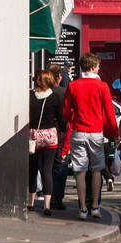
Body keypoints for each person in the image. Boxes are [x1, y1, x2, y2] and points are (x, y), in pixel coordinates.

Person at [60, 53, 119, 221]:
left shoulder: (73, 86)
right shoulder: (102, 86)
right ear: (93, 67)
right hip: (95, 132)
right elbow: (109, 114)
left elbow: (66, 111)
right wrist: (113, 134)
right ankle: (95, 206)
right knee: (96, 170)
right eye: (98, 66)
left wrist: (66, 125)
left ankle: (83, 209)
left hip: (78, 132)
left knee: (80, 170)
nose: (99, 68)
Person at [29, 69, 64, 216]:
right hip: (50, 136)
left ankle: (30, 202)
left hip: (34, 136)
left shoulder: (30, 96)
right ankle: (47, 206)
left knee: (32, 169)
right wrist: (62, 130)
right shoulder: (55, 97)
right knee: (47, 170)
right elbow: (61, 119)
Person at [48, 65, 71, 210]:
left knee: (46, 168)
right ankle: (57, 199)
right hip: (60, 134)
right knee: (60, 167)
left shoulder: (42, 92)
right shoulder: (64, 92)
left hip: (43, 134)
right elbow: (67, 114)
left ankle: (46, 198)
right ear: (59, 77)